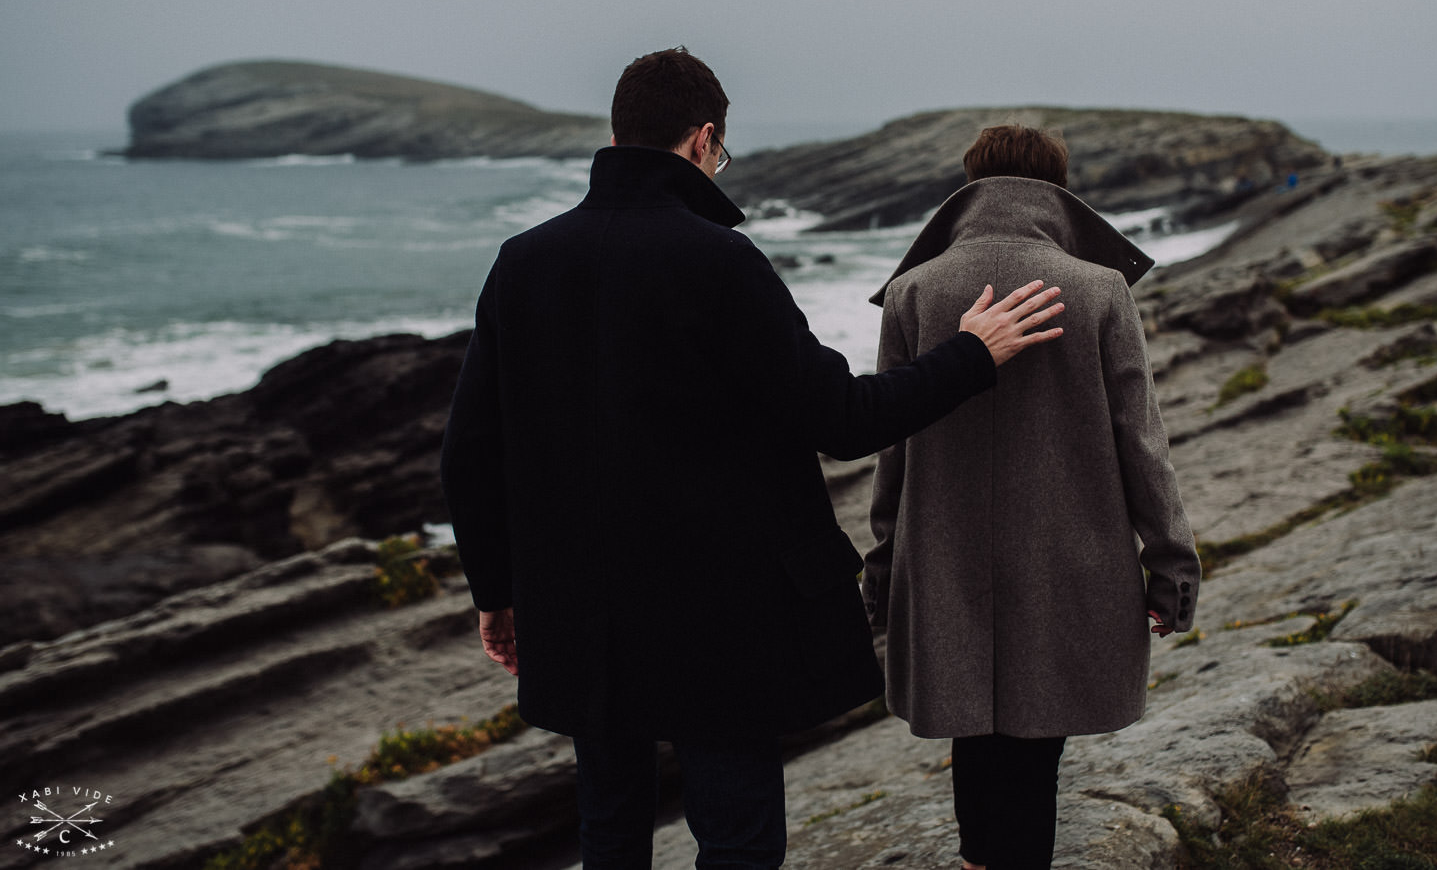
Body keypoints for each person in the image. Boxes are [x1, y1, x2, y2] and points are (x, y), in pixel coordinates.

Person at [439, 49, 1067, 869]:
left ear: (622, 133)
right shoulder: (718, 261)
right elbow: (841, 418)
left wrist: (496, 591)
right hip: (717, 616)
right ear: (703, 139)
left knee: (610, 828)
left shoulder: (523, 262)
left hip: (578, 608)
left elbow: (469, 450)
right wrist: (971, 355)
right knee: (734, 839)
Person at [862, 125, 1201, 870]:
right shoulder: (1099, 288)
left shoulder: (913, 291)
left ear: (970, 183)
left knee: (972, 740)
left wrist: (883, 570)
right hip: (1070, 560)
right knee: (1034, 754)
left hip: (942, 560)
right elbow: (1141, 443)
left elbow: (893, 449)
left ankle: (980, 860)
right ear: (1058, 186)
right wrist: (1172, 567)